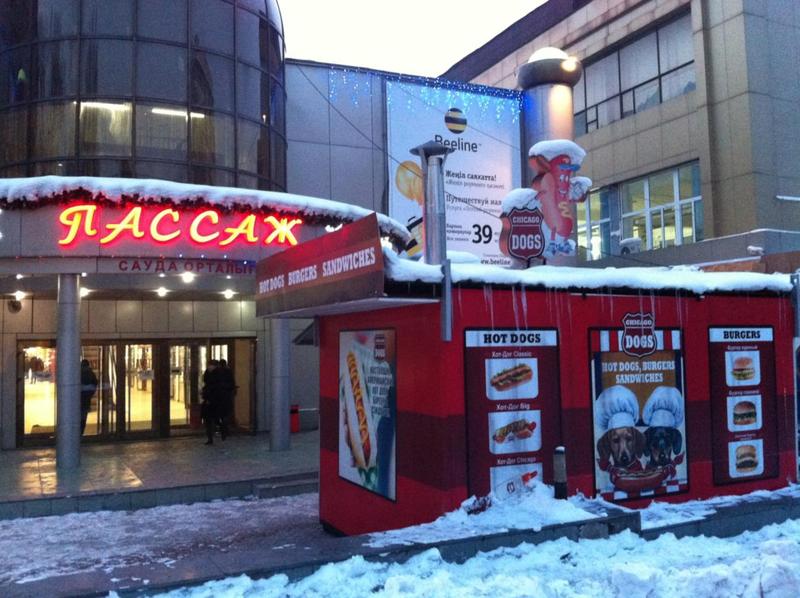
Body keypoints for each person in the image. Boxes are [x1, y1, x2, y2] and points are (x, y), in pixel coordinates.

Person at [201, 360, 221, 445]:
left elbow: (215, 389)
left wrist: (209, 399)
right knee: (209, 419)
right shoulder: (208, 373)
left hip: (213, 401)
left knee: (211, 418)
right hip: (209, 400)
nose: (209, 367)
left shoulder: (217, 375)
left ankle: (212, 434)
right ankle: (210, 436)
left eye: (211, 365)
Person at [217, 359, 236, 441]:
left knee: (221, 414)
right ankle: (225, 429)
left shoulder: (217, 372)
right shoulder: (228, 372)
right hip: (227, 396)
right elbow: (232, 383)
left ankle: (222, 429)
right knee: (226, 413)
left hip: (219, 396)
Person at [80, 359, 98, 436]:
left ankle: (77, 433)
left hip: (78, 400)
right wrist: (90, 395)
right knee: (83, 418)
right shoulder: (91, 373)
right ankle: (81, 432)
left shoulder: (78, 373)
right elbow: (95, 384)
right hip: (86, 400)